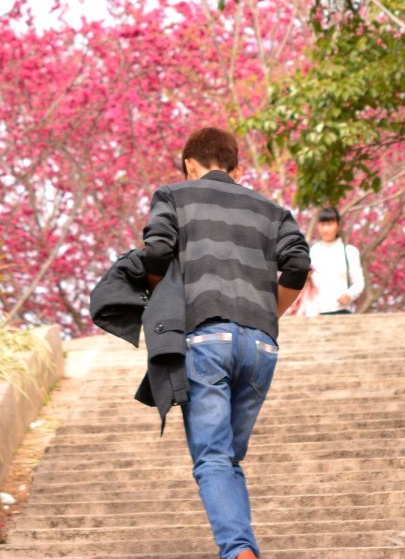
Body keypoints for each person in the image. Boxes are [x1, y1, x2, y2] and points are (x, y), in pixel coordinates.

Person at [140, 126, 311, 559]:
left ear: (189, 164)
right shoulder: (272, 209)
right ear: (236, 169)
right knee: (227, 458)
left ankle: (238, 552)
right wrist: (269, 311)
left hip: (206, 338)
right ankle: (241, 547)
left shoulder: (174, 195)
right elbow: (298, 262)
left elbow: (157, 250)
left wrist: (165, 302)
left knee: (213, 457)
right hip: (260, 347)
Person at [299, 205, 365, 316]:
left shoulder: (349, 252)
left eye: (330, 224)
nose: (326, 229)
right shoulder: (311, 252)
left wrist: (349, 295)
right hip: (316, 312)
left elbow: (359, 282)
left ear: (338, 226)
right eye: (323, 225)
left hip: (341, 310)